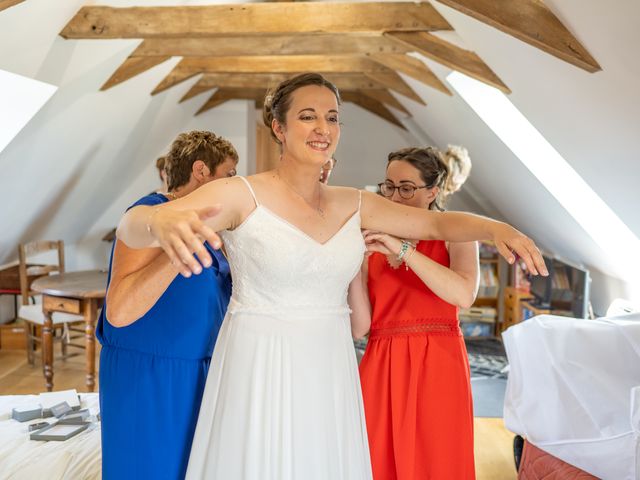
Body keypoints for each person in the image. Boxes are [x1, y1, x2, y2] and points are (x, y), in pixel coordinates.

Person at [115, 73, 547, 479]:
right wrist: (158, 225)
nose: (323, 127)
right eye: (308, 116)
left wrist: (494, 227)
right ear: (279, 127)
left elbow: (436, 226)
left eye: (332, 117)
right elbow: (131, 224)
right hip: (259, 361)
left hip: (330, 362)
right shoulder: (240, 193)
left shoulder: (355, 202)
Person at [98, 130, 238, 479]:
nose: (234, 187)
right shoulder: (151, 214)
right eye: (230, 176)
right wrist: (180, 252)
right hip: (150, 374)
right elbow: (119, 311)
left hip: (198, 370)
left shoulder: (208, 225)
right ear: (202, 171)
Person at [357, 146, 478, 479]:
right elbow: (362, 325)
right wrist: (353, 262)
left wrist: (402, 248)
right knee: (376, 459)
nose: (395, 197)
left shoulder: (457, 234)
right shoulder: (373, 240)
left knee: (435, 459)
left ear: (432, 192)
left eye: (407, 188)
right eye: (389, 186)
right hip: (381, 362)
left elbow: (463, 294)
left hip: (438, 361)